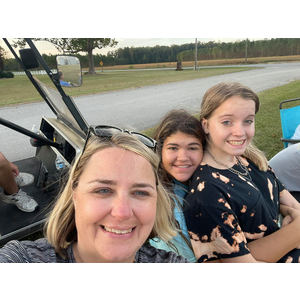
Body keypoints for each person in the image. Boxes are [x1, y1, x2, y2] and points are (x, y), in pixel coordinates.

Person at [0, 132, 189, 263]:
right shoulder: (25, 257)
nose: (122, 212)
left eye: (140, 192)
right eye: (103, 190)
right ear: (74, 195)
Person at [184, 82, 300, 263]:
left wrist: (292, 216)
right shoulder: (208, 193)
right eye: (227, 122)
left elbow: (287, 201)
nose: (239, 132)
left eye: (248, 121)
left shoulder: (250, 159)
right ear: (205, 125)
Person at [150, 109, 205, 263]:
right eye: (173, 148)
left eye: (192, 148)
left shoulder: (212, 184)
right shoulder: (156, 193)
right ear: (160, 150)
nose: (182, 158)